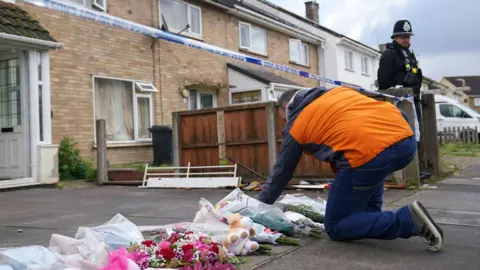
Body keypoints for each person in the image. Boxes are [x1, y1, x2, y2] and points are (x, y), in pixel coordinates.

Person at [257, 86, 444, 252]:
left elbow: (282, 171)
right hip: (405, 141)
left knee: (336, 225)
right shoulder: (339, 93)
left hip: (369, 154)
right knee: (367, 207)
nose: (285, 124)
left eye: (284, 119)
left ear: (288, 109)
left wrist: (259, 209)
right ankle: (372, 220)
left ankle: (408, 221)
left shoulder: (297, 123)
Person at [377, 19, 431, 181]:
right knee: (400, 137)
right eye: (402, 37)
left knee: (415, 135)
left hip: (412, 100)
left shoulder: (409, 53)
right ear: (395, 37)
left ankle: (415, 168)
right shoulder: (390, 54)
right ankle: (403, 172)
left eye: (408, 36)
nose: (406, 39)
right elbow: (383, 82)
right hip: (398, 102)